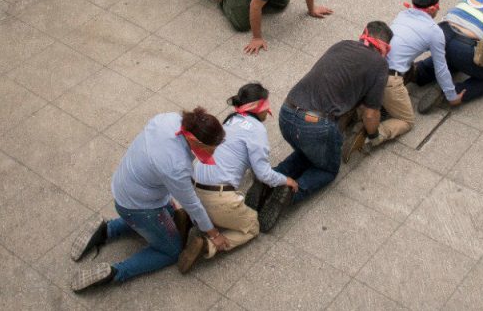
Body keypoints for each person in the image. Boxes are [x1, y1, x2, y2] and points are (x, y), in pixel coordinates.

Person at [68, 108, 229, 292]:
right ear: (195, 141)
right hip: (138, 208)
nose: (213, 152)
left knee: (168, 211)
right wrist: (214, 234)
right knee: (172, 251)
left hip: (124, 186)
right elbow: (192, 204)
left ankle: (107, 230)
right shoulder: (177, 166)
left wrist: (168, 198)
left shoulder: (169, 119)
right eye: (211, 148)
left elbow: (156, 166)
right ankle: (116, 272)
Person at [256, 21, 392, 230]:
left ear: (364, 34)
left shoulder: (342, 44)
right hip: (316, 126)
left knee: (308, 153)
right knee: (327, 169)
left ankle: (269, 180)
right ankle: (291, 192)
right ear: (385, 47)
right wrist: (373, 136)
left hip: (287, 112)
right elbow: (370, 113)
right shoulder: (379, 65)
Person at [177, 83, 298, 273]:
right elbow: (264, 174)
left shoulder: (230, 120)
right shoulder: (257, 130)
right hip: (217, 197)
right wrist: (286, 180)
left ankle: (190, 217)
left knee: (215, 209)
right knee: (252, 227)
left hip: (193, 188)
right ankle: (208, 246)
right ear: (258, 107)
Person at [344, 0, 456, 162]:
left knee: (408, 67)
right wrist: (452, 96)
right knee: (406, 121)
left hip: (370, 67)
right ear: (433, 8)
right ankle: (371, 136)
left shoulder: (402, 15)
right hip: (389, 79)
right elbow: (441, 68)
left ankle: (355, 114)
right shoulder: (434, 31)